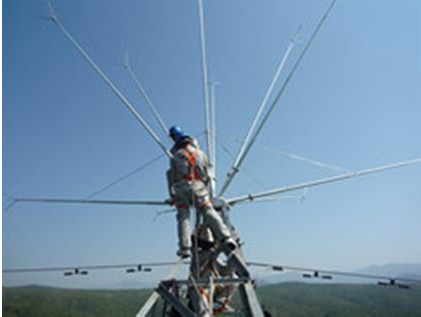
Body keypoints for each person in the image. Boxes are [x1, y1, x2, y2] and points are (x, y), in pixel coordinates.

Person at [166, 126, 236, 258]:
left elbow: (172, 177)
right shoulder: (201, 154)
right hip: (199, 188)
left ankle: (185, 248)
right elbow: (207, 175)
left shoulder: (175, 157)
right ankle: (227, 238)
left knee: (183, 217)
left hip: (182, 189)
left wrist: (172, 196)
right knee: (209, 212)